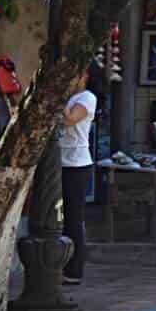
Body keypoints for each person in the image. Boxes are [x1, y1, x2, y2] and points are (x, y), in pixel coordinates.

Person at [59, 65, 98, 284]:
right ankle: (61, 263)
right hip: (60, 161)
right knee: (60, 217)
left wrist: (58, 97)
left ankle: (74, 269)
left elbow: (69, 120)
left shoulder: (86, 98)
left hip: (77, 163)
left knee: (74, 218)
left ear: (84, 77)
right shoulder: (69, 98)